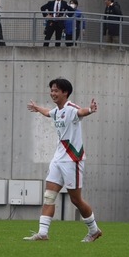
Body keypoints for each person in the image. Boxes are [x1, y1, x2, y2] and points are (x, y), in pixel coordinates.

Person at [24, 77, 103, 242]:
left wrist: (90, 109)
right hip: (58, 158)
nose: (53, 93)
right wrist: (37, 108)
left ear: (65, 92)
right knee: (49, 196)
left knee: (76, 199)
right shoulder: (57, 111)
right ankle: (43, 233)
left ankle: (94, 230)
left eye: (56, 90)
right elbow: (48, 113)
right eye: (51, 90)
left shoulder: (70, 108)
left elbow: (81, 112)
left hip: (72, 159)